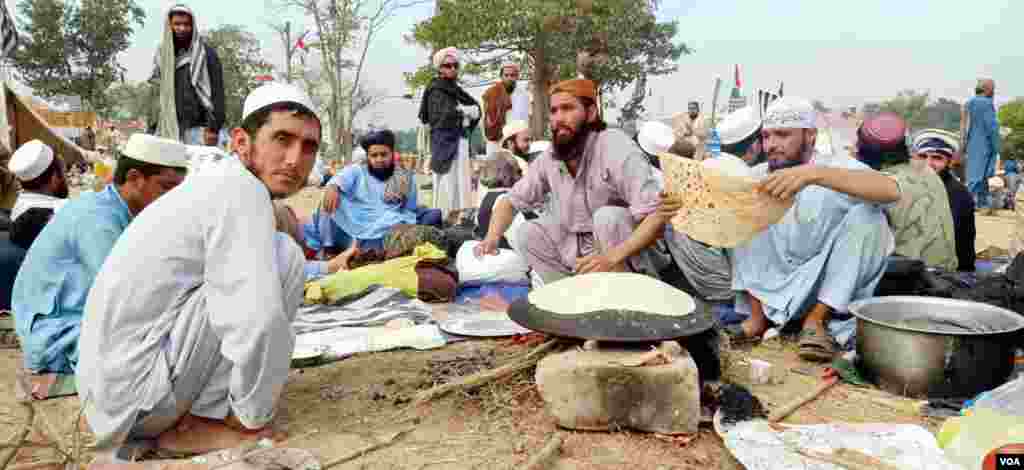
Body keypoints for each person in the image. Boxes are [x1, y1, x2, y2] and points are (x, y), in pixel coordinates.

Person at [77, 82, 318, 467]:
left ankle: (202, 414)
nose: (294, 158)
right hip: (135, 400)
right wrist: (253, 417)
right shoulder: (240, 191)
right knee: (283, 258)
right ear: (241, 142)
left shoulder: (222, 184)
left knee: (266, 263)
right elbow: (257, 321)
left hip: (112, 396)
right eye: (282, 139)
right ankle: (206, 421)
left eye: (308, 147)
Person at [730, 96, 900, 361]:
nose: (771, 145)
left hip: (825, 285)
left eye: (782, 135)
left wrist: (813, 175)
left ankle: (815, 322)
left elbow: (890, 190)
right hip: (770, 286)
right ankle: (756, 319)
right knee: (738, 208)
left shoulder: (836, 167)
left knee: (870, 217)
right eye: (766, 136)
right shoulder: (758, 175)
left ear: (810, 135)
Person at [12, 134, 187, 380]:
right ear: (135, 178)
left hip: (71, 321)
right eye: (167, 188)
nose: (174, 198)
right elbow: (127, 297)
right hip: (55, 335)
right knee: (167, 352)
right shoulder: (98, 220)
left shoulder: (116, 209)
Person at [474, 79, 670, 285]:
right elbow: (510, 201)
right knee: (528, 232)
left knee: (608, 218)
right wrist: (492, 237)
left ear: (591, 112)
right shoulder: (551, 156)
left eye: (567, 108)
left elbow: (656, 215)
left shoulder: (616, 146)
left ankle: (621, 299)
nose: (558, 118)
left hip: (626, 252)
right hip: (577, 250)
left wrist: (612, 256)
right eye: (554, 111)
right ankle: (570, 299)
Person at [319, 129, 441, 253]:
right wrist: (333, 187)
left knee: (433, 215)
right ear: (368, 157)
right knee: (329, 200)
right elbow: (336, 181)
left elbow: (409, 210)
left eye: (384, 154)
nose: (379, 159)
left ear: (392, 154)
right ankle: (329, 248)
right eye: (374, 155)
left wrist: (402, 223)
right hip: (358, 222)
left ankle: (371, 247)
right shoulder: (358, 171)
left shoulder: (405, 178)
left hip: (389, 226)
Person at [417, 47, 481, 218]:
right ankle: (445, 218)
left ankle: (462, 219)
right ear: (440, 68)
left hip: (460, 142)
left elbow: (477, 108)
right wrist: (464, 112)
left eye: (455, 65)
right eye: (447, 65)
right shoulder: (436, 89)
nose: (452, 68)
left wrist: (465, 112)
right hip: (444, 145)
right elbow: (441, 117)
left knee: (462, 183)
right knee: (448, 185)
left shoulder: (455, 89)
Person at [150, 4, 226, 145]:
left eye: (186, 24)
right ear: (169, 26)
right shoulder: (162, 56)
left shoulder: (206, 54)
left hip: (199, 130)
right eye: (177, 24)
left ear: (193, 26)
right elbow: (156, 95)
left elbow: (218, 93)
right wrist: (152, 126)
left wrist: (213, 128)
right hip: (169, 129)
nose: (182, 28)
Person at [912, 129, 976, 272]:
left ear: (949, 161)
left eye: (937, 158)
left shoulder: (957, 193)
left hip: (948, 273)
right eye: (923, 156)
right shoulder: (912, 185)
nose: (928, 163)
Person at [962, 78, 1001, 213]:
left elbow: (964, 127)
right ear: (987, 89)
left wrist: (963, 145)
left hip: (972, 144)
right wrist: (997, 146)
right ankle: (964, 203)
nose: (994, 91)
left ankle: (983, 204)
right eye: (993, 88)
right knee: (977, 177)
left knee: (981, 177)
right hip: (984, 144)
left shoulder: (968, 103)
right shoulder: (986, 103)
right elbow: (992, 127)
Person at [482, 62, 522, 156]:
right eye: (506, 75)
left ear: (517, 77)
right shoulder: (491, 93)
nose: (509, 78)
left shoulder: (522, 95)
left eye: (512, 75)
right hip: (495, 141)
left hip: (516, 141)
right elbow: (486, 119)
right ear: (501, 76)